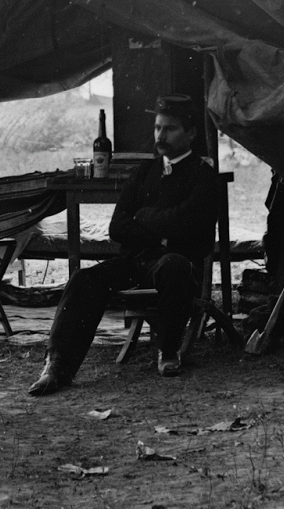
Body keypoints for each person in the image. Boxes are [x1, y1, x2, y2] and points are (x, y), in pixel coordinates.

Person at [29, 94, 225, 395]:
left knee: (172, 265)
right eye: (158, 127)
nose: (161, 135)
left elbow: (192, 229)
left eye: (170, 129)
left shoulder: (204, 177)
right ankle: (57, 366)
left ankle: (168, 351)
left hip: (179, 264)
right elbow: (118, 227)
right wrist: (162, 232)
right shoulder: (143, 172)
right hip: (136, 262)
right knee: (84, 279)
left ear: (191, 133)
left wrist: (144, 217)